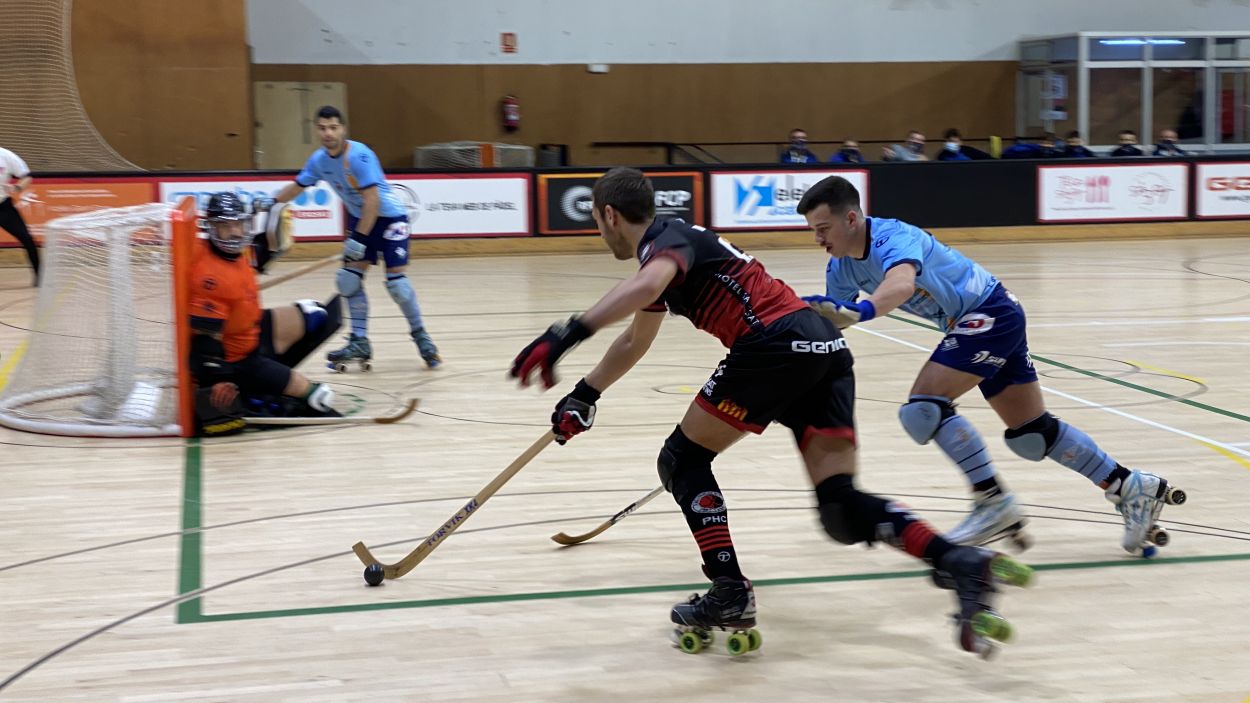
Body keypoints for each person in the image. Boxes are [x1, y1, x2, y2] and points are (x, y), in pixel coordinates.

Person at [508, 167, 1032, 658]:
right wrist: (585, 394)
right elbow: (635, 337)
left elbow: (644, 288)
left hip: (771, 346)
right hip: (823, 348)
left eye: (598, 226)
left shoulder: (664, 243)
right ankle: (960, 563)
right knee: (841, 511)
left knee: (682, 461)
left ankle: (729, 590)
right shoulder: (673, 248)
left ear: (607, 215)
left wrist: (565, 334)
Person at [798, 175, 1185, 558]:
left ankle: (992, 501)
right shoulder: (840, 268)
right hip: (989, 317)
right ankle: (1131, 486)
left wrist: (861, 310)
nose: (818, 239)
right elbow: (835, 321)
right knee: (1033, 432)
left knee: (924, 407)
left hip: (989, 313)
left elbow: (900, 284)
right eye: (813, 231)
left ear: (851, 219)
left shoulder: (892, 237)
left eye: (823, 228)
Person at [274, 105, 441, 371]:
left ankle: (421, 335)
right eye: (322, 128)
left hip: (388, 218)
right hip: (360, 218)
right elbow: (297, 186)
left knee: (397, 285)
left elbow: (372, 200)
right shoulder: (319, 160)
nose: (328, 133)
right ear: (317, 130)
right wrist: (270, 201)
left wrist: (359, 238)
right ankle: (360, 341)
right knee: (348, 280)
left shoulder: (359, 156)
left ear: (343, 129)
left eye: (333, 127)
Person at [189, 192, 342, 435]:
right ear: (212, 228)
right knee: (319, 397)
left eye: (238, 223)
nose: (235, 232)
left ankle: (269, 380)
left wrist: (275, 233)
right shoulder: (211, 278)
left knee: (316, 315)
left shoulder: (239, 250)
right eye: (225, 226)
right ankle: (254, 393)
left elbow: (258, 254)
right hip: (238, 358)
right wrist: (218, 382)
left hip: (251, 327)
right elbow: (205, 344)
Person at [0, 146, 39, 286]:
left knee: (27, 238)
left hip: (3, 207)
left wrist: (17, 188)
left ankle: (40, 276)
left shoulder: (6, 156)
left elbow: (26, 177)